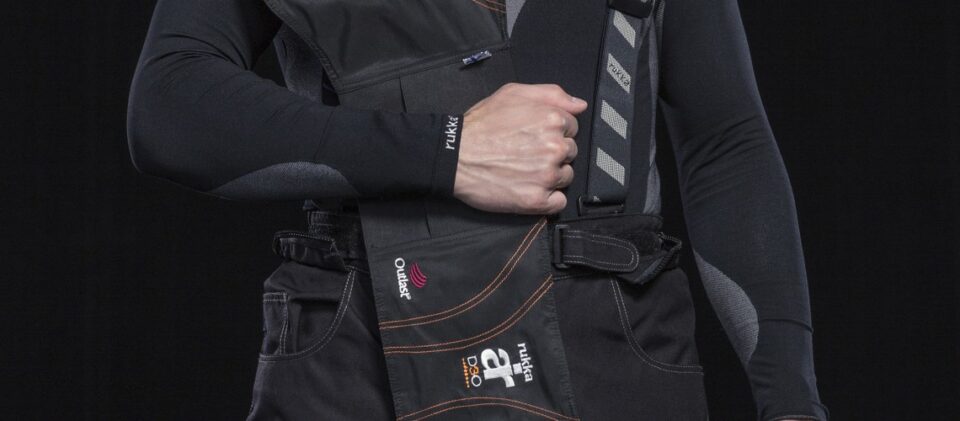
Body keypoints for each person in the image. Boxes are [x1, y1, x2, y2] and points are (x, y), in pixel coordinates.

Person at [127, 0, 828, 419]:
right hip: (366, 348)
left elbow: (724, 142)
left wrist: (791, 399)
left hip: (609, 350)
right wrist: (447, 150)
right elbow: (170, 107)